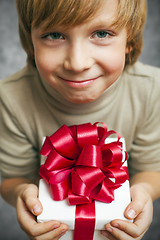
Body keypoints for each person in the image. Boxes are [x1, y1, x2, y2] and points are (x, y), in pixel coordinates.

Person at [0, 0, 160, 239]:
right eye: (54, 35)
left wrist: (144, 190)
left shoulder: (151, 90)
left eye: (102, 33)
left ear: (130, 41)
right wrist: (22, 191)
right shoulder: (11, 98)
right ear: (30, 42)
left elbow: (152, 169)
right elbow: (13, 178)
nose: (77, 63)